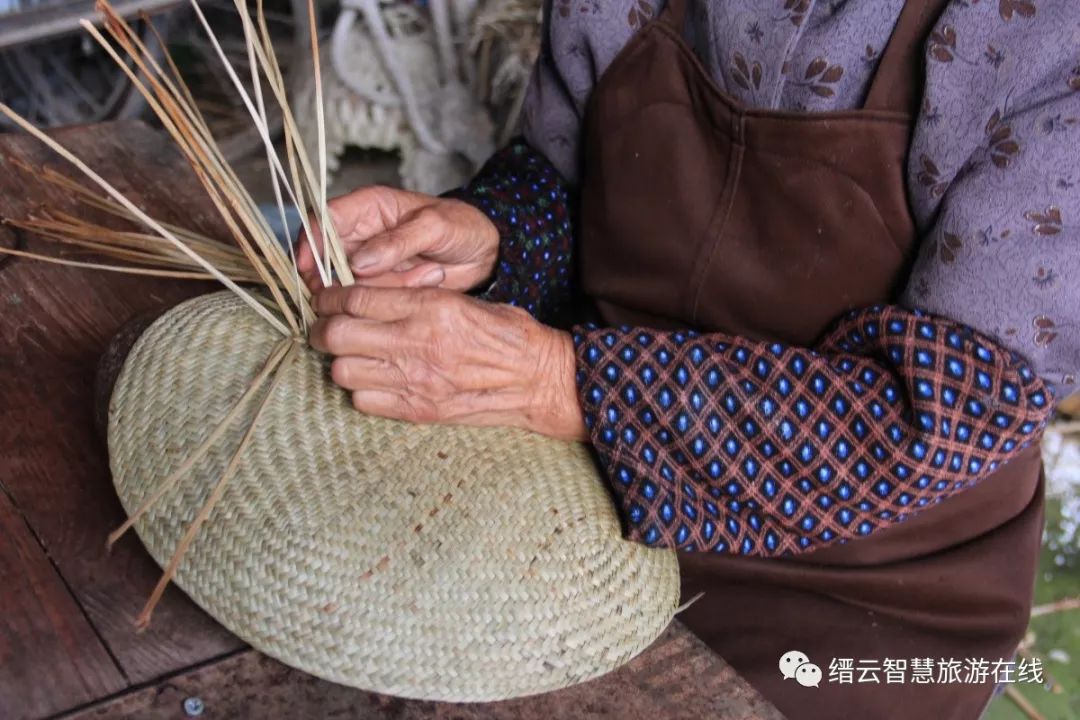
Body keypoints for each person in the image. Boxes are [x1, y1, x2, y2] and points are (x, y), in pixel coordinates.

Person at [297, 0, 1079, 716]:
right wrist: (492, 235)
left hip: (870, 591)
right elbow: (567, 176)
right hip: (575, 489)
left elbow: (939, 413)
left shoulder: (1040, 36)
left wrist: (557, 380)